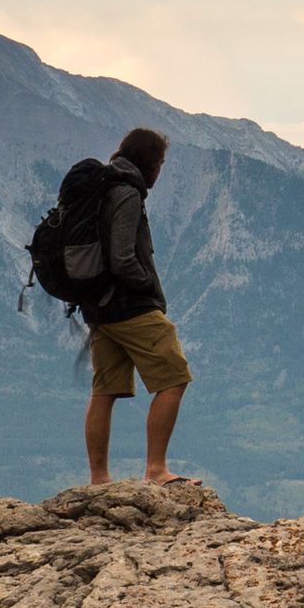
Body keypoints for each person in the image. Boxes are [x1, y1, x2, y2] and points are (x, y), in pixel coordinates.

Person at [76, 126, 194, 484]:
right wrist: (148, 288)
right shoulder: (127, 193)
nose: (159, 170)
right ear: (148, 162)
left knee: (105, 389)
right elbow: (122, 257)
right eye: (159, 161)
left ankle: (99, 480)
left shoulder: (104, 187)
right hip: (130, 307)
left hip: (99, 309)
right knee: (175, 377)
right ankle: (156, 469)